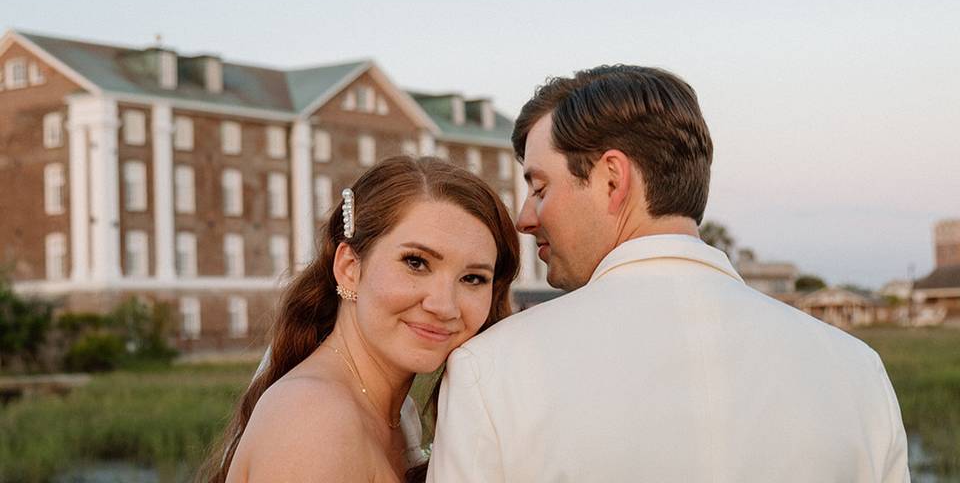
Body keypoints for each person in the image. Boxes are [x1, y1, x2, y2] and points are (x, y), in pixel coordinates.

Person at [427, 65, 909, 482]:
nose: (525, 218)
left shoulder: (492, 370)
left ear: (612, 179)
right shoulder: (857, 370)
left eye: (539, 187)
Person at [204, 156, 519, 483]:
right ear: (350, 268)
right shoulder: (313, 421)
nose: (444, 306)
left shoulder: (397, 414)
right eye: (416, 262)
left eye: (472, 278)